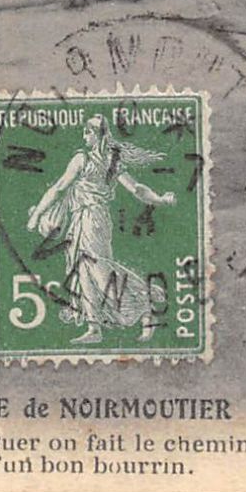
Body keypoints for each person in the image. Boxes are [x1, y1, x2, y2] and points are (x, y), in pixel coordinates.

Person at [25, 116, 173, 345]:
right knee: (83, 271)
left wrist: (36, 215)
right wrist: (160, 199)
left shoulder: (83, 158)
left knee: (100, 272)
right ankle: (94, 327)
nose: (84, 136)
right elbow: (137, 189)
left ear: (97, 134)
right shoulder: (108, 160)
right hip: (84, 219)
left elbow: (59, 188)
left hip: (92, 219)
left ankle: (146, 302)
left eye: (87, 132)